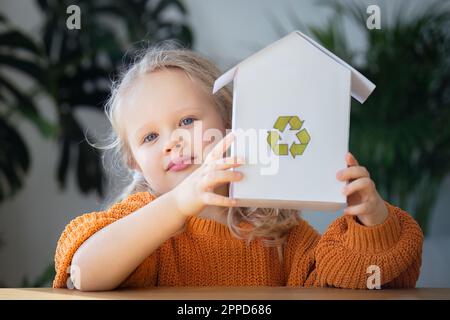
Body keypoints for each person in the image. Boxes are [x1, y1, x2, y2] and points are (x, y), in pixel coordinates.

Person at [52, 41, 423, 291]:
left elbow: (348, 285)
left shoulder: (280, 231)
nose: (172, 142)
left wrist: (371, 222)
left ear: (232, 123)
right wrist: (180, 204)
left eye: (186, 121)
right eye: (150, 138)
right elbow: (84, 274)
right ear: (135, 162)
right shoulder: (143, 225)